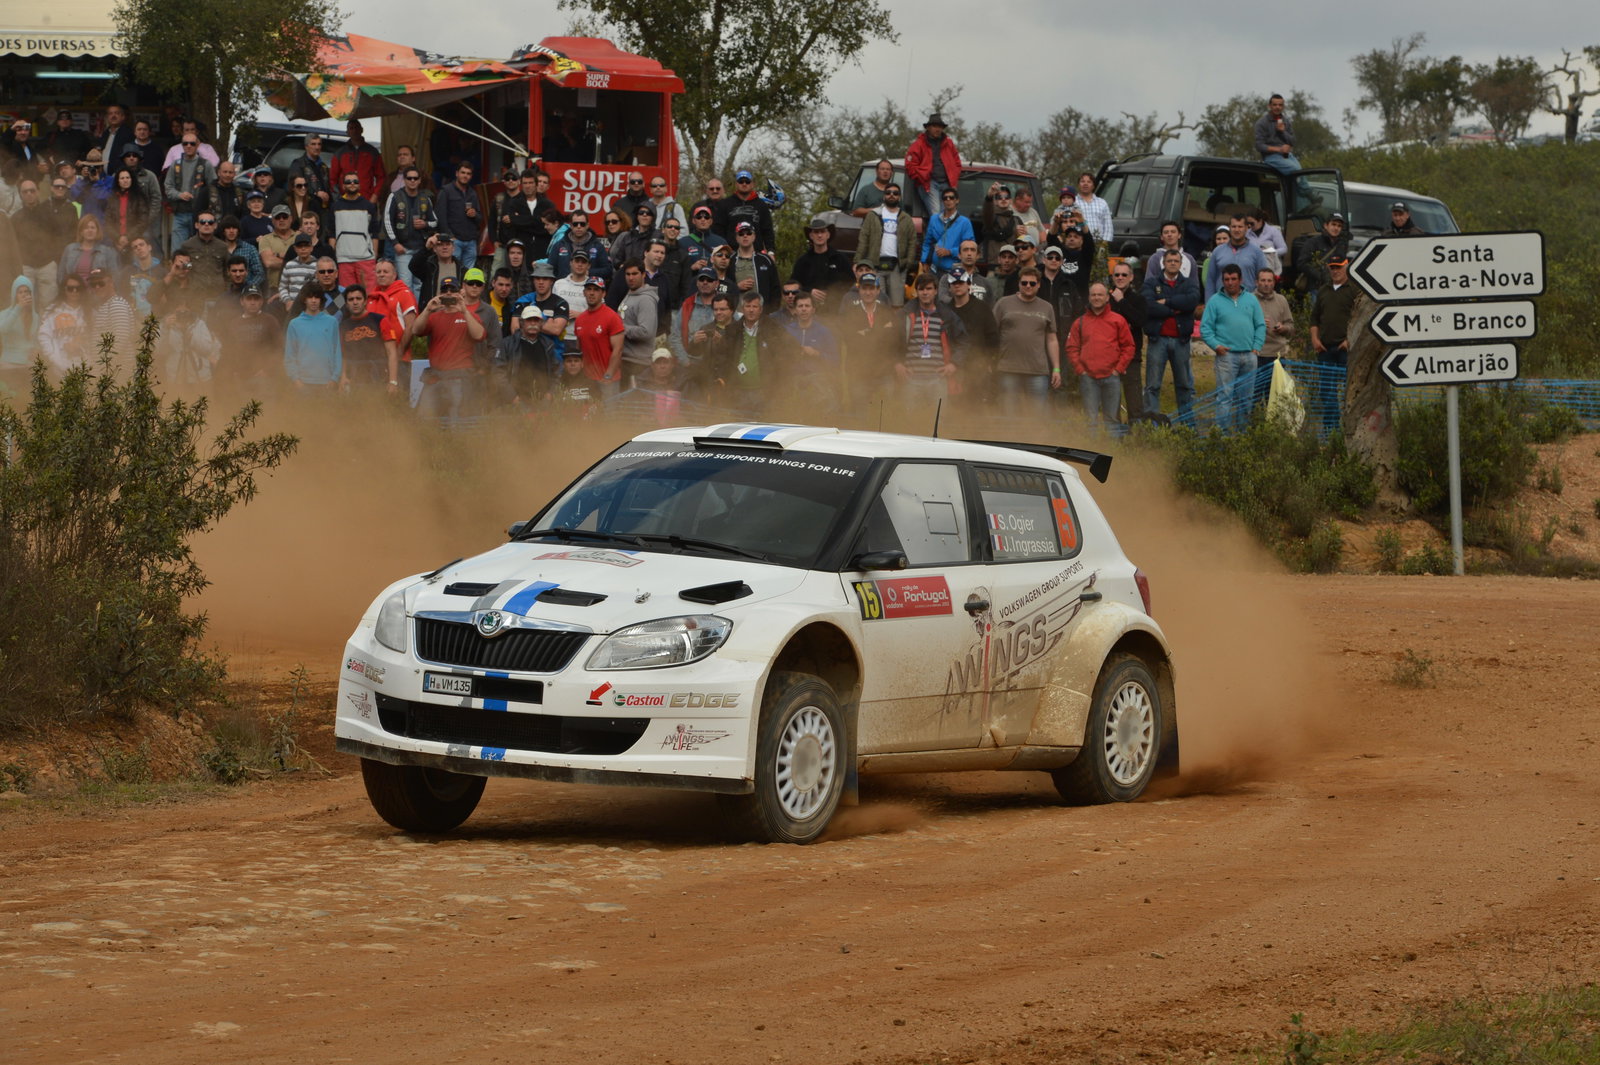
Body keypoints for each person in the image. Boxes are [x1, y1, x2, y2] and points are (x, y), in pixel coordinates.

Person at [405, 277, 485, 420]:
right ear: (440, 293)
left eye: (452, 290)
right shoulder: (434, 316)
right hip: (435, 376)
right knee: (424, 419)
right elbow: (416, 331)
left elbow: (479, 335)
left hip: (459, 376)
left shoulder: (470, 315)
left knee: (457, 421)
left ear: (460, 292)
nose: (448, 293)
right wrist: (428, 309)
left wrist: (464, 311)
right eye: (444, 290)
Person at [1199, 264, 1266, 430]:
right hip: (1226, 357)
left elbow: (1260, 325)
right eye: (1226, 279)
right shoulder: (1214, 301)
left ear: (1240, 279)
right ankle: (1222, 435)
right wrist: (1216, 346)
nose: (1230, 283)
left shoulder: (1251, 299)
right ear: (1222, 281)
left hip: (1249, 356)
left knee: (1246, 398)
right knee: (1225, 397)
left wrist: (1257, 346)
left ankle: (1242, 433)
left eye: (1233, 279)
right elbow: (1205, 328)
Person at [1066, 283, 1136, 433]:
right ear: (1089, 297)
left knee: (1112, 421)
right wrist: (1080, 370)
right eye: (1093, 295)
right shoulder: (1080, 322)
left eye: (1100, 295)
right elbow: (1071, 348)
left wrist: (1118, 370)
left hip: (1112, 377)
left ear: (1107, 298)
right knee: (1090, 421)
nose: (1096, 298)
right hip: (1088, 378)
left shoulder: (1118, 320)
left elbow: (1129, 347)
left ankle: (1113, 453)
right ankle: (1091, 451)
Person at [992, 266, 1060, 419]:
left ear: (1038, 285)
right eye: (1024, 283)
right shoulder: (1003, 303)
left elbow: (1052, 339)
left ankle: (1034, 441)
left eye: (1032, 283)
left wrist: (1056, 369)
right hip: (1008, 369)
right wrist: (990, 360)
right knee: (1009, 417)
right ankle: (1010, 442)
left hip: (1037, 371)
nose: (1028, 286)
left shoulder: (1047, 307)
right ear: (1019, 284)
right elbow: (991, 334)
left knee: (1036, 418)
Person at [1142, 248, 1202, 418]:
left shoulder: (1189, 284)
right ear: (1164, 263)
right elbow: (1148, 305)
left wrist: (1167, 302)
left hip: (1180, 341)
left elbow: (1191, 302)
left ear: (1181, 264)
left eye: (1176, 261)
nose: (1173, 264)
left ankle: (1187, 424)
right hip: (1157, 340)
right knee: (1152, 385)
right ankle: (1151, 424)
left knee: (1184, 385)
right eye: (1169, 261)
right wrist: (1175, 310)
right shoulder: (1152, 283)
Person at [898, 273, 962, 413]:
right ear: (916, 291)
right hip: (911, 378)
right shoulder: (905, 314)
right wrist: (897, 363)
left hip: (938, 378)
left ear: (935, 291)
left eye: (928, 289)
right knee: (911, 421)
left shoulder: (946, 315)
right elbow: (891, 341)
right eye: (921, 289)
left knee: (938, 421)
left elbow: (963, 341)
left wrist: (954, 363)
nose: (925, 292)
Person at [1309, 254, 1358, 431]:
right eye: (1332, 267)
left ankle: (1350, 428)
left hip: (1346, 350)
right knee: (1327, 392)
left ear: (1346, 267)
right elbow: (1314, 318)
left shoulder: (1354, 289)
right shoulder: (1323, 290)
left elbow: (1361, 319)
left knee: (1350, 391)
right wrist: (1315, 339)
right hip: (1325, 350)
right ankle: (1331, 430)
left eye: (1338, 267)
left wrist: (1349, 341)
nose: (1335, 271)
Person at [855, 182, 915, 308]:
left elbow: (912, 242)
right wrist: (857, 261)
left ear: (899, 197)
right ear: (884, 196)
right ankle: (877, 327)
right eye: (888, 193)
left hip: (897, 266)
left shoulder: (906, 218)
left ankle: (894, 328)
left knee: (897, 304)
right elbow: (864, 238)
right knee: (876, 302)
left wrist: (908, 262)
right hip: (875, 265)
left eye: (895, 193)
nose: (891, 195)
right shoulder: (873, 215)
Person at [216, 284, 283, 394]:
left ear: (261, 301)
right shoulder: (234, 323)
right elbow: (227, 351)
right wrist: (233, 372)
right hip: (240, 379)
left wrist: (268, 371)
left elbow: (279, 349)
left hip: (264, 379)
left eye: (256, 299)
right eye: (249, 298)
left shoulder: (271, 321)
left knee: (266, 411)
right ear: (242, 301)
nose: (252, 302)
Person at [1106, 261, 1147, 420]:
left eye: (1124, 275)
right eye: (1117, 275)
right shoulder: (1106, 300)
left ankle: (1136, 438)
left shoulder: (1138, 299)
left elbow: (1140, 321)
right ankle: (1114, 439)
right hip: (1109, 357)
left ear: (1131, 277)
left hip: (1131, 357)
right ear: (1113, 277)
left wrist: (1122, 302)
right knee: (1111, 404)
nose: (1120, 278)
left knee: (1135, 403)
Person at [573, 274, 625, 398]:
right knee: (588, 414)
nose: (592, 293)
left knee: (609, 416)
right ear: (584, 292)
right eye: (589, 289)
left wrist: (608, 375)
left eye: (596, 290)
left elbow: (618, 350)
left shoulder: (612, 317)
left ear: (603, 294)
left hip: (607, 379)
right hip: (587, 378)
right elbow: (579, 349)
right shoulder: (580, 319)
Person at [284, 284, 344, 392]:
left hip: (328, 383)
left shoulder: (331, 322)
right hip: (303, 383)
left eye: (317, 297)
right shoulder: (294, 324)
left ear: (321, 300)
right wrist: (296, 381)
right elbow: (290, 355)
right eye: (310, 297)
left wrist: (335, 378)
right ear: (304, 300)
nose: (313, 300)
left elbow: (337, 352)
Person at [163, 134, 214, 252]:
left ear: (197, 145)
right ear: (182, 145)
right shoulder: (175, 165)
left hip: (201, 216)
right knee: (177, 252)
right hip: (179, 214)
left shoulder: (206, 164)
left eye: (192, 143)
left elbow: (213, 189)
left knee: (200, 251)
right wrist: (179, 195)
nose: (189, 146)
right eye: (185, 143)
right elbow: (168, 187)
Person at [905, 113, 961, 218]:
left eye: (940, 127)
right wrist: (921, 177)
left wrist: (953, 176)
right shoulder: (919, 144)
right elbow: (910, 165)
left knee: (948, 215)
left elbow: (957, 163)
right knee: (936, 214)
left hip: (946, 183)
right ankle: (938, 234)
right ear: (928, 128)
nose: (938, 129)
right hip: (928, 183)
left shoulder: (948, 143)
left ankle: (943, 234)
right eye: (935, 126)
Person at [791, 217, 853, 311]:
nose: (819, 235)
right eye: (816, 232)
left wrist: (834, 292)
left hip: (836, 310)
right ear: (811, 235)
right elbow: (794, 285)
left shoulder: (840, 259)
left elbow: (851, 283)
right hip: (810, 312)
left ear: (828, 235)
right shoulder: (802, 262)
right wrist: (809, 291)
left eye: (822, 232)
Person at [331, 173, 380, 290]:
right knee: (346, 297)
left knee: (370, 295)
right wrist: (334, 255)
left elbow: (375, 233)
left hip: (366, 259)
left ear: (359, 185)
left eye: (355, 181)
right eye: (348, 182)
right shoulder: (335, 206)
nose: (352, 184)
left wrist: (374, 255)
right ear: (343, 186)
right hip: (343, 259)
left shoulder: (369, 206)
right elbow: (331, 233)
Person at [1204, 215, 1270, 300]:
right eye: (1234, 226)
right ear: (1230, 228)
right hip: (1222, 302)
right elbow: (1210, 280)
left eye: (1240, 226)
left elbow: (1263, 279)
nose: (1237, 230)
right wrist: (1209, 303)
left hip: (1247, 302)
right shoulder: (1217, 251)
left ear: (1247, 228)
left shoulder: (1256, 252)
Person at [615, 259, 660, 385]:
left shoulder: (646, 300)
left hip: (637, 363)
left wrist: (620, 328)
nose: (631, 278)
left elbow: (646, 332)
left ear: (644, 274)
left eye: (635, 274)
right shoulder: (630, 294)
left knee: (633, 403)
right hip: (625, 359)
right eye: (628, 274)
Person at [37, 274, 89, 372]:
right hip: (58, 369)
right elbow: (44, 336)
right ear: (64, 290)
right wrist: (53, 357)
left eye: (78, 288)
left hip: (85, 370)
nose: (74, 291)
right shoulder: (52, 311)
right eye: (70, 288)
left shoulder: (89, 312)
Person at [436, 162, 481, 271]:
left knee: (468, 276)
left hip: (470, 241)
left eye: (468, 173)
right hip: (454, 241)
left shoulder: (472, 193)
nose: (465, 176)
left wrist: (475, 214)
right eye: (463, 172)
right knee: (451, 273)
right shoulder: (446, 191)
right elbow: (440, 216)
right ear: (457, 173)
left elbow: (480, 218)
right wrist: (450, 237)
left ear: (471, 176)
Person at [922, 187, 975, 279]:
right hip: (933, 269)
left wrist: (949, 252)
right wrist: (924, 261)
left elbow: (969, 247)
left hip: (953, 271)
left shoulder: (964, 222)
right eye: (945, 198)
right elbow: (927, 242)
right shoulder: (934, 219)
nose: (948, 200)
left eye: (951, 197)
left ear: (957, 200)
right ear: (942, 201)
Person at [329, 120, 386, 203]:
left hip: (367, 200)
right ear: (347, 132)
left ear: (362, 130)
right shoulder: (339, 153)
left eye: (356, 128)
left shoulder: (372, 152)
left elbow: (381, 177)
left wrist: (375, 196)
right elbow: (332, 179)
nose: (354, 130)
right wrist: (339, 199)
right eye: (351, 128)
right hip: (345, 201)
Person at [57, 214, 119, 288]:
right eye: (86, 228)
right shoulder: (70, 249)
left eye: (92, 228)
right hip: (74, 293)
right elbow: (61, 274)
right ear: (81, 232)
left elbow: (114, 276)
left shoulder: (107, 251)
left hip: (97, 294)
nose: (90, 230)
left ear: (97, 231)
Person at [0, 276, 39, 394]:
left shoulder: (35, 317)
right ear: (14, 295)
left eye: (26, 291)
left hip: (27, 364)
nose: (23, 295)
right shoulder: (4, 314)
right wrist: (18, 308)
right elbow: (3, 330)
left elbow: (34, 341)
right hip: (8, 364)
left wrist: (36, 349)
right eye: (20, 292)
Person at [722, 169, 776, 253]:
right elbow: (720, 229)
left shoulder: (761, 205)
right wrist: (723, 249)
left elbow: (767, 230)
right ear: (736, 184)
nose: (744, 184)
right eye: (741, 181)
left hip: (756, 253)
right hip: (732, 253)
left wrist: (770, 251)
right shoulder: (726, 204)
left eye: (747, 181)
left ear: (752, 184)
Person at [728, 222, 778, 310]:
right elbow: (721, 287)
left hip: (762, 313)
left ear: (754, 236)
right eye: (741, 234)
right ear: (736, 238)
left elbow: (775, 288)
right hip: (736, 313)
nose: (745, 236)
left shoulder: (766, 260)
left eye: (749, 233)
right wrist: (736, 287)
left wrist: (772, 311)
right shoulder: (729, 260)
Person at [1295, 212, 1349, 295]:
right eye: (1333, 224)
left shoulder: (1342, 244)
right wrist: (1320, 276)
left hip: (1336, 289)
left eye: (1339, 226)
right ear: (1326, 225)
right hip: (1316, 289)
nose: (1336, 228)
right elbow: (1302, 263)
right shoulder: (1313, 242)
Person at [1254, 94, 1301, 176]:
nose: (1277, 107)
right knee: (1295, 171)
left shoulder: (1286, 121)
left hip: (1287, 156)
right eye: (1274, 105)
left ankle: (1301, 189)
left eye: (1280, 105)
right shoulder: (1262, 123)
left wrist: (1283, 132)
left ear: (1283, 107)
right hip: (1271, 157)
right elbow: (1259, 146)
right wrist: (1279, 149)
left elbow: (1293, 141)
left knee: (1301, 175)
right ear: (1269, 106)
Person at [288, 133, 333, 217]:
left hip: (323, 210)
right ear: (306, 147)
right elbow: (294, 187)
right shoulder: (298, 164)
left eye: (319, 144)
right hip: (306, 209)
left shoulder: (323, 166)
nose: (317, 147)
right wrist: (315, 193)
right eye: (313, 144)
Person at [1245, 205, 1288, 276]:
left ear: (1260, 221)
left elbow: (1284, 249)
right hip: (1253, 269)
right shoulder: (1247, 233)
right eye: (1247, 223)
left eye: (1252, 223)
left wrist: (1271, 252)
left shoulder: (1273, 231)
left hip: (1270, 268)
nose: (1249, 226)